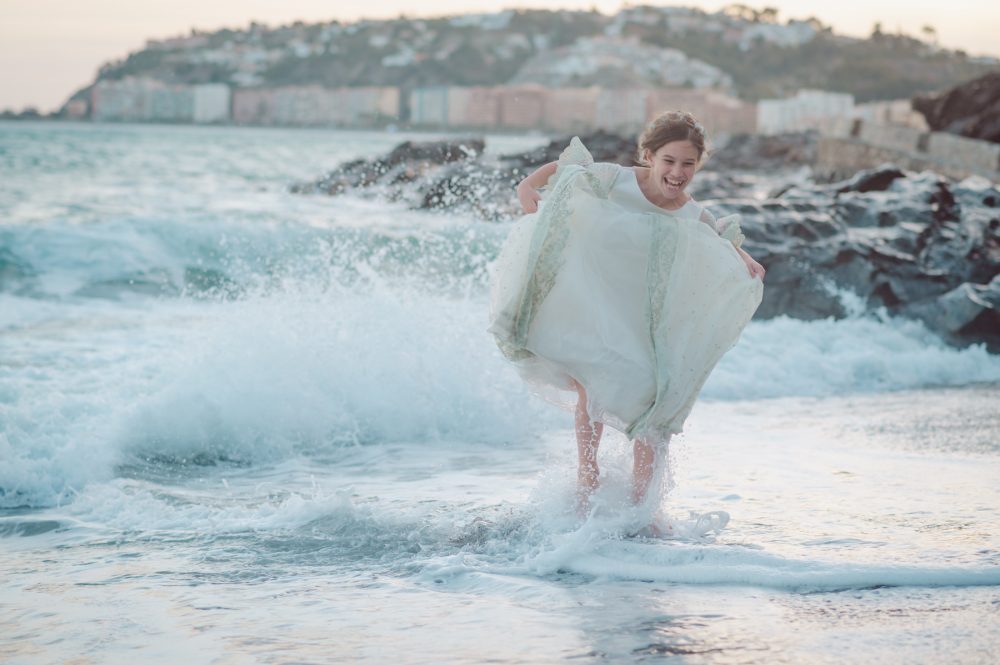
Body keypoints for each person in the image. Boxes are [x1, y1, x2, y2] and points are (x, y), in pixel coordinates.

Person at [488, 111, 765, 517]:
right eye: (669, 161)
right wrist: (528, 185)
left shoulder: (689, 210)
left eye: (688, 164)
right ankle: (588, 478)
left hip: (639, 314)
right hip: (594, 297)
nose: (677, 172)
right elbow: (569, 168)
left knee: (654, 399)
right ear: (649, 156)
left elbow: (716, 232)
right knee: (591, 381)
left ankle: (643, 506)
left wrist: (745, 258)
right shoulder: (617, 179)